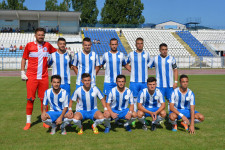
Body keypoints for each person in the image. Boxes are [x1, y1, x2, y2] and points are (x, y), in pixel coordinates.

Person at [21, 27, 57, 130]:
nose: (41, 36)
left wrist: (68, 52)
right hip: (31, 77)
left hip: (44, 77)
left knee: (43, 100)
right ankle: (28, 122)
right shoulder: (29, 45)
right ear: (35, 35)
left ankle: (44, 120)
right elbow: (24, 58)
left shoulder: (48, 45)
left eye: (42, 35)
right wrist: (22, 72)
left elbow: (56, 53)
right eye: (39, 35)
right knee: (30, 99)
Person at [126, 37, 151, 113]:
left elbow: (149, 64)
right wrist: (131, 70)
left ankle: (141, 117)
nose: (140, 45)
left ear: (143, 44)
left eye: (141, 43)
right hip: (134, 81)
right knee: (133, 99)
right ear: (135, 44)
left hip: (144, 81)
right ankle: (134, 116)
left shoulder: (147, 54)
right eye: (138, 43)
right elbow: (125, 63)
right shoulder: (131, 54)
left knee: (143, 99)